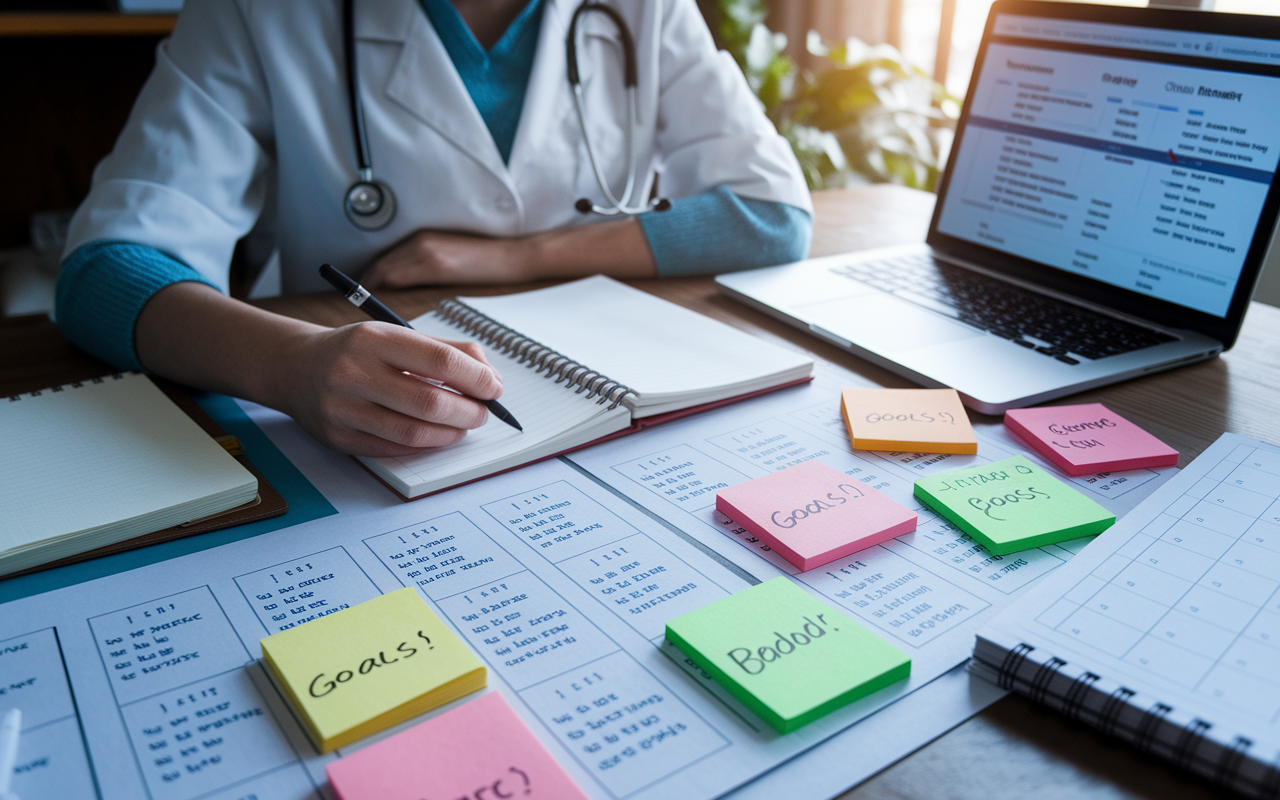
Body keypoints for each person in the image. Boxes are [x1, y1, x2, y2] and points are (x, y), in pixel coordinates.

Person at [56, 0, 812, 458]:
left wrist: (514, 257)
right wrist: (290, 367)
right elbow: (105, 271)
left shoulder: (642, 9)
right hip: (365, 443)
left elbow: (769, 215)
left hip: (591, 421)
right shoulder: (260, 11)